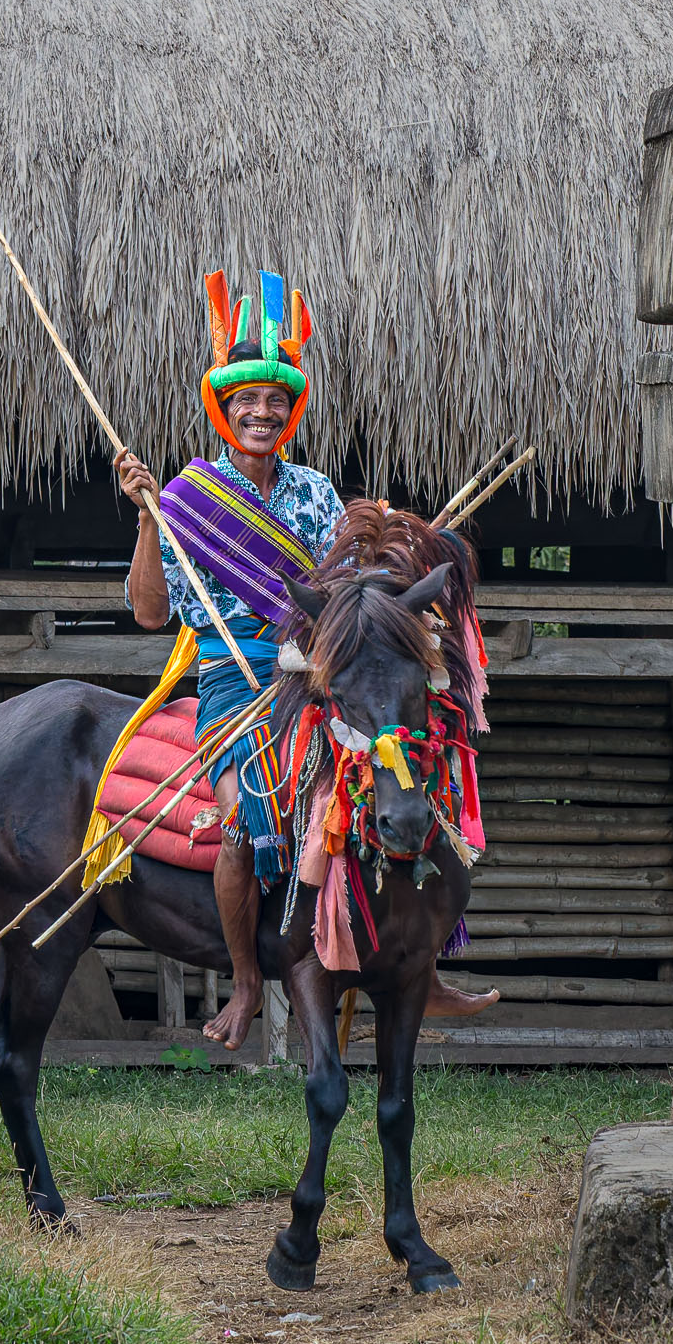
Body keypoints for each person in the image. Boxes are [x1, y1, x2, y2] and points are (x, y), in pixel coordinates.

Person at [119, 270, 496, 1047]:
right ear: (222, 410)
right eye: (245, 402)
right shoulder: (189, 499)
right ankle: (248, 983)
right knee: (240, 822)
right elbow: (152, 614)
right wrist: (149, 521)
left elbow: (351, 586)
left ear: (289, 412)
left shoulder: (317, 492)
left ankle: (415, 968)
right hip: (233, 676)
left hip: (318, 672)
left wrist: (393, 541)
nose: (261, 413)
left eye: (274, 402)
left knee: (400, 781)